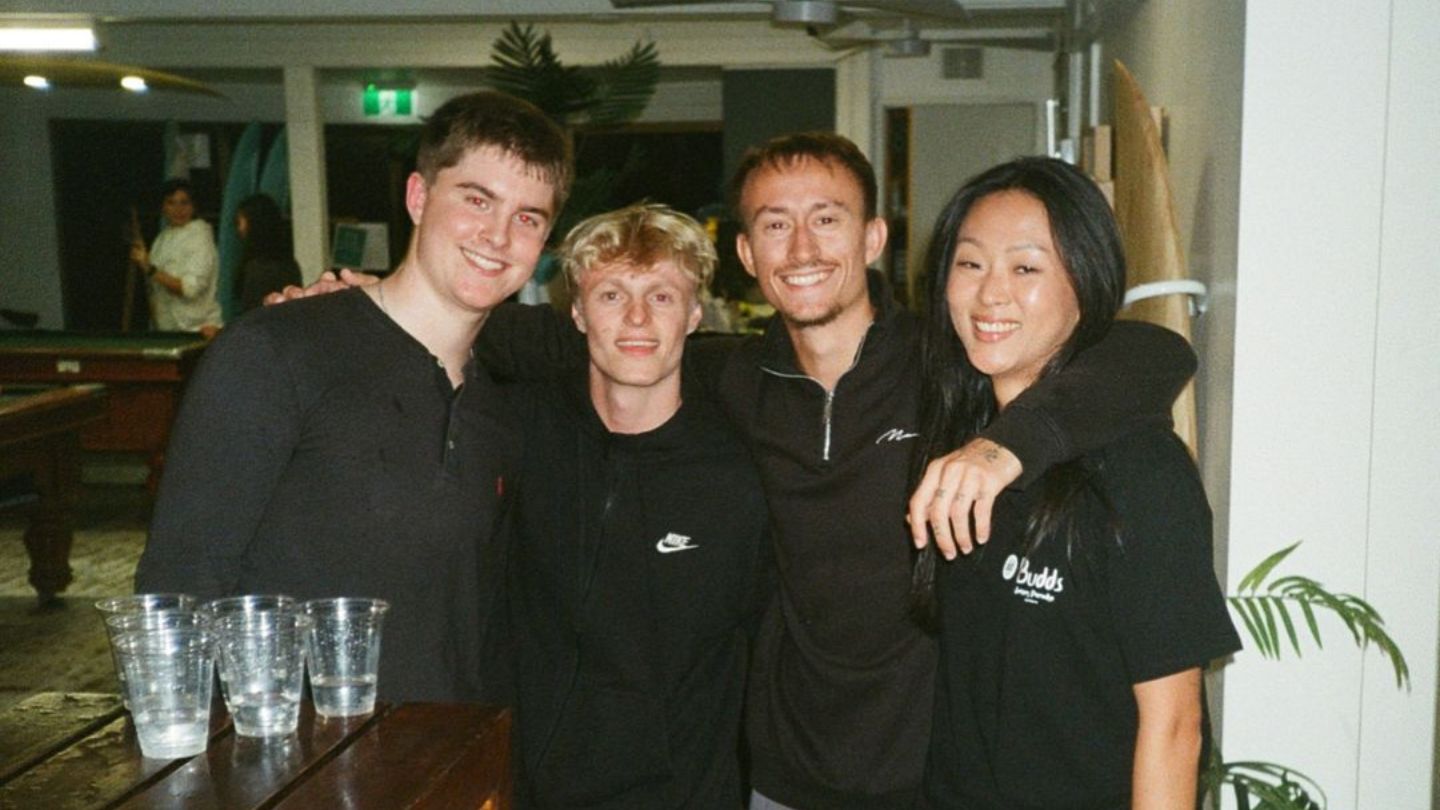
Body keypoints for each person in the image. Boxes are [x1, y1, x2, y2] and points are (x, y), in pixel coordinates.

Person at [298, 132, 1197, 807]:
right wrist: (375, 305)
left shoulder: (949, 363)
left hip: (927, 777)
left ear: (875, 238)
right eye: (776, 225)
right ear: (746, 255)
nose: (802, 248)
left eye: (828, 219)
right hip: (778, 779)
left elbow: (1148, 354)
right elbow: (562, 328)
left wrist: (1007, 445)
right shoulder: (733, 373)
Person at [134, 90, 573, 703]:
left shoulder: (501, 410)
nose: (497, 236)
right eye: (477, 199)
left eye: (528, 217)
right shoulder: (277, 351)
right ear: (418, 197)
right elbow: (177, 595)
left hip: (441, 771)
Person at [908, 157, 1240, 808]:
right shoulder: (951, 438)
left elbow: (1174, 729)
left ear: (1085, 283)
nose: (990, 294)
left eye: (1026, 267)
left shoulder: (1142, 471)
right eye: (970, 264)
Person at [505, 203, 770, 808]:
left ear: (695, 315)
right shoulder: (523, 433)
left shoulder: (737, 476)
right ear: (576, 313)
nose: (636, 318)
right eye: (611, 295)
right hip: (535, 792)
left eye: (661, 296)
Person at [130, 178, 223, 333]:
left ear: (193, 207)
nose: (178, 209)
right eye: (171, 203)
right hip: (168, 330)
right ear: (163, 207)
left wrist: (150, 269)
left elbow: (190, 289)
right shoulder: (161, 239)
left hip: (198, 331)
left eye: (184, 203)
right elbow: (155, 289)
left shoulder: (200, 237)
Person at [233, 193, 301, 314]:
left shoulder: (257, 268)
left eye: (240, 222)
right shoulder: (289, 262)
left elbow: (251, 313)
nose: (239, 229)